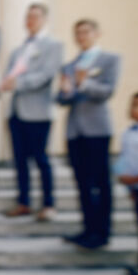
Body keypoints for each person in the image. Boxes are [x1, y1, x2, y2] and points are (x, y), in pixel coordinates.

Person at [58, 19, 120, 249]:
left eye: (86, 32)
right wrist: (65, 92)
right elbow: (61, 99)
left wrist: (84, 84)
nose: (82, 36)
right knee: (82, 182)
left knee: (101, 182)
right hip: (75, 130)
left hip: (97, 129)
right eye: (78, 33)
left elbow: (107, 91)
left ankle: (102, 232)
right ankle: (87, 228)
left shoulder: (110, 60)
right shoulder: (69, 65)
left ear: (97, 33)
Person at [0, 3, 63, 222]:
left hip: (38, 113)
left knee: (41, 159)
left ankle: (49, 203)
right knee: (20, 160)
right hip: (16, 112)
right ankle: (24, 202)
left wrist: (17, 83)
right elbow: (10, 73)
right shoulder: (19, 50)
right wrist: (7, 81)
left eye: (35, 17)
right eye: (28, 17)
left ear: (44, 19)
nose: (30, 21)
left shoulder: (53, 46)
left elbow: (46, 75)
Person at [115, 92, 138, 275]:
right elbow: (126, 160)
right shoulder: (128, 132)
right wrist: (131, 187)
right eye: (132, 104)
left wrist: (135, 180)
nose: (133, 109)